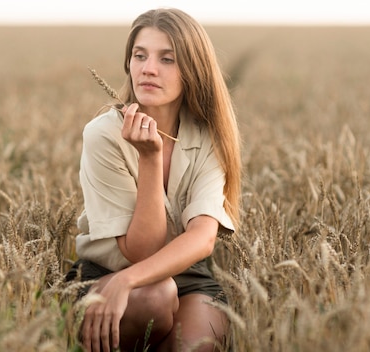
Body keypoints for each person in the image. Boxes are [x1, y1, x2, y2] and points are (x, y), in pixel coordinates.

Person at [66, 7, 242, 352]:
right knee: (155, 297)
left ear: (193, 69)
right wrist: (149, 158)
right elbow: (140, 250)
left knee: (197, 343)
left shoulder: (209, 136)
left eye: (167, 59)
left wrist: (127, 281)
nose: (148, 68)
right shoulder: (104, 135)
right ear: (128, 63)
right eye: (139, 55)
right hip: (105, 274)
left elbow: (203, 238)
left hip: (187, 278)